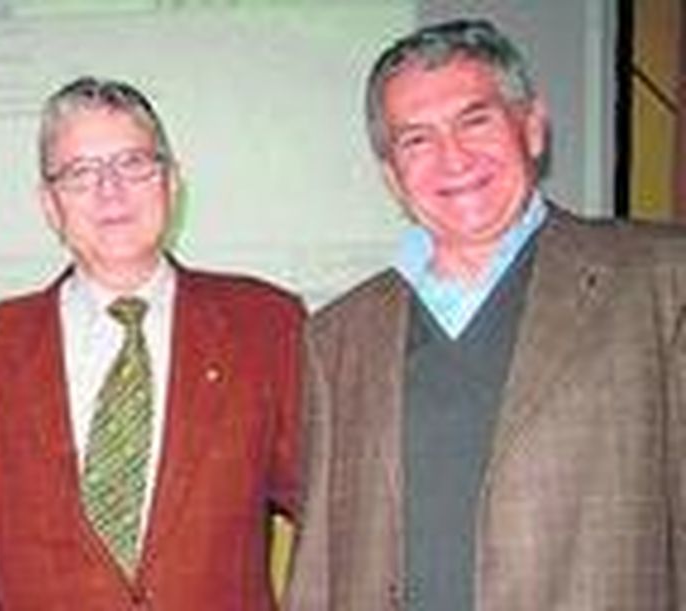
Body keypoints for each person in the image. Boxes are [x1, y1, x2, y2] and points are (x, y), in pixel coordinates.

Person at [285, 19, 686, 610]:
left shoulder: (662, 281)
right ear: (392, 176)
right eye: (416, 139)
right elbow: (319, 565)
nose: (454, 159)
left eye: (475, 121)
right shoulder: (338, 335)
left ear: (532, 127)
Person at [0, 76, 303, 609]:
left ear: (171, 183)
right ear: (50, 204)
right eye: (80, 173)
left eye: (133, 164)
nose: (111, 191)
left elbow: (332, 520)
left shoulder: (266, 326)